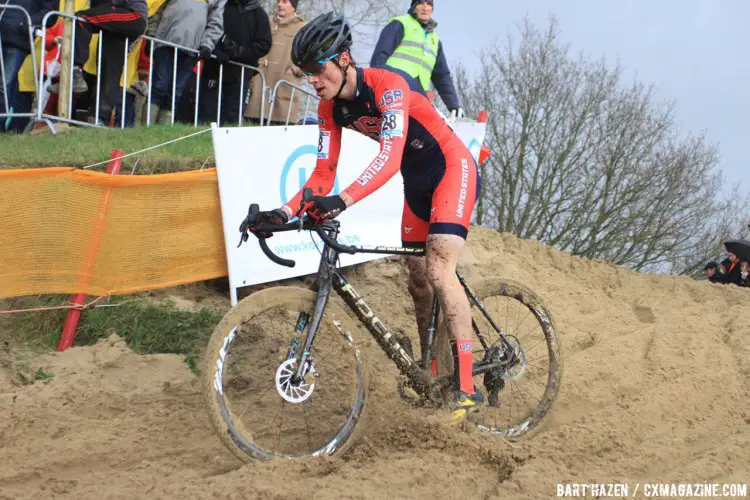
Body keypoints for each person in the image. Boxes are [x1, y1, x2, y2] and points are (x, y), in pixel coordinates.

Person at [247, 12, 482, 427]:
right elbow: (321, 174)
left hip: (451, 169)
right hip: (418, 184)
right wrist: (282, 212)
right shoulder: (328, 109)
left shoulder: (387, 86)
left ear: (344, 60)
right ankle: (432, 366)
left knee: (440, 268)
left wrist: (343, 201)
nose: (313, 81)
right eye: (306, 74)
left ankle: (467, 386)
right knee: (417, 281)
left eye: (318, 70)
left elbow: (389, 158)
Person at [369, 0, 461, 116]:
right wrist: (376, 88)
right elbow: (379, 58)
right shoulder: (400, 24)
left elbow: (442, 76)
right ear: (413, 7)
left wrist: (453, 105)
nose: (424, 7)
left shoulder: (435, 41)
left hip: (416, 98)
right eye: (420, 3)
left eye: (428, 4)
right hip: (392, 93)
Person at [146, 0, 227, 124]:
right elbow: (157, 7)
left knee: (175, 93)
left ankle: (160, 132)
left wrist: (207, 45)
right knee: (158, 86)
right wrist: (151, 34)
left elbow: (216, 21)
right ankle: (145, 128)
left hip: (190, 49)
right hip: (164, 42)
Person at [197, 0, 271, 125]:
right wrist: (215, 50)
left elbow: (264, 45)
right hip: (214, 69)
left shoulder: (259, 14)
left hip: (239, 75)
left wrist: (238, 51)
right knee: (207, 114)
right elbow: (208, 27)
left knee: (231, 118)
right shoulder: (221, 6)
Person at [244, 0, 305, 125]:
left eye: (284, 1)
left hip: (283, 87)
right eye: (278, 1)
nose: (280, 4)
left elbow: (309, 58)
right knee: (253, 130)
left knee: (280, 134)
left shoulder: (302, 28)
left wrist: (294, 69)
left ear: (293, 6)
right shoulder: (267, 24)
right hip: (260, 86)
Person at [0, 0, 58, 131]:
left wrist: (26, 22)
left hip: (17, 39)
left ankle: (1, 126)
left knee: (5, 84)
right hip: (5, 34)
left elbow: (51, 14)